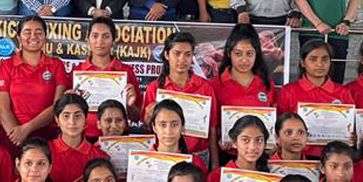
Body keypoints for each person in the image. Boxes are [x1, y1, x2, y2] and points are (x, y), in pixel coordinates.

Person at [0, 15, 70, 155]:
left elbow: (57, 106)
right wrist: (15, 134)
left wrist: (26, 129)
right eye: (27, 32)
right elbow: (2, 106)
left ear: (45, 37)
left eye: (39, 32)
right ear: (18, 38)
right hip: (11, 132)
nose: (33, 36)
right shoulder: (7, 65)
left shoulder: (56, 65)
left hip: (46, 133)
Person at [142, 31, 218, 165]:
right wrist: (149, 116)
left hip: (199, 153)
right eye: (177, 53)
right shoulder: (154, 87)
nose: (182, 59)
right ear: (166, 55)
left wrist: (215, 164)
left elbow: (212, 128)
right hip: (166, 154)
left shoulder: (205, 86)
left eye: (187, 54)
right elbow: (148, 125)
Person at [277, 39, 356, 157]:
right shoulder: (288, 91)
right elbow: (279, 125)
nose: (320, 64)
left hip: (334, 157)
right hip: (298, 156)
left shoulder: (342, 92)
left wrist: (353, 136)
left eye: (325, 59)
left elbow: (351, 127)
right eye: (313, 59)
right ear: (303, 63)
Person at [68, 17, 139, 138]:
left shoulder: (126, 72)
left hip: (118, 137)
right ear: (87, 39)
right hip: (84, 137)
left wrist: (130, 105)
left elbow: (136, 117)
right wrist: (68, 100)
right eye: (95, 36)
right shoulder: (77, 72)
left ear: (113, 40)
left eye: (106, 36)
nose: (99, 41)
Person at [213, 24, 276, 157]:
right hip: (227, 155)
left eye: (249, 54)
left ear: (257, 54)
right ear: (229, 53)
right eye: (238, 53)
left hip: (258, 156)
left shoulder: (266, 84)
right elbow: (211, 127)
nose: (244, 60)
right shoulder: (214, 84)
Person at [47, 93, 109, 182]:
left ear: (86, 120)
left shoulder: (100, 157)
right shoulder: (44, 151)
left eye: (78, 115)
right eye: (66, 116)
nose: (72, 122)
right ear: (57, 120)